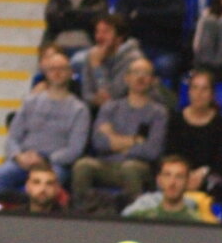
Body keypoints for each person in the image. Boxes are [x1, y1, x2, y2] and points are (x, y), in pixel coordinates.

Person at [71, 58, 168, 208]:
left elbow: (152, 151)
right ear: (127, 78)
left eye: (145, 73)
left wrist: (113, 138)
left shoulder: (159, 113)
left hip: (140, 167)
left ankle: (134, 216)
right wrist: (136, 140)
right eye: (136, 72)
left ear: (153, 80)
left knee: (130, 168)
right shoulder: (110, 108)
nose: (140, 77)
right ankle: (83, 213)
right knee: (83, 165)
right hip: (107, 164)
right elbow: (99, 143)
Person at [0, 50, 90, 192]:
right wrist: (18, 156)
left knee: (44, 186)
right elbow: (13, 137)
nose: (57, 73)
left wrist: (45, 160)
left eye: (62, 69)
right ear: (46, 73)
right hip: (24, 160)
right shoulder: (30, 102)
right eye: (52, 69)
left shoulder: (79, 109)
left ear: (70, 73)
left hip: (55, 164)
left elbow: (75, 149)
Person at [114, 0, 187, 84]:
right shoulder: (127, 0)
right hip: (134, 50)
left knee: (164, 65)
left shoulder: (174, 1)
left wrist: (139, 15)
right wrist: (158, 17)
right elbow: (121, 24)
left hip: (165, 51)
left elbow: (174, 21)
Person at [164, 68, 222, 204]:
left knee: (215, 185)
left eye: (204, 89)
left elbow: (221, 162)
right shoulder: (176, 120)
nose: (198, 94)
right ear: (189, 92)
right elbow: (169, 154)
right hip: (177, 174)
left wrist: (201, 173)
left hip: (207, 175)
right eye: (195, 88)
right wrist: (183, 176)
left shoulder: (221, 124)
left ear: (212, 94)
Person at [79, 13, 146, 108]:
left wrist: (97, 66)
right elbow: (86, 93)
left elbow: (113, 95)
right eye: (97, 32)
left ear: (119, 38)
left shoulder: (133, 59)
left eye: (106, 32)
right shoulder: (92, 54)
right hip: (99, 108)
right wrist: (94, 99)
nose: (99, 37)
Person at [121, 155, 214, 221]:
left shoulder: (196, 222)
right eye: (167, 175)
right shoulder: (141, 217)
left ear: (187, 182)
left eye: (179, 176)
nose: (172, 182)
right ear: (159, 180)